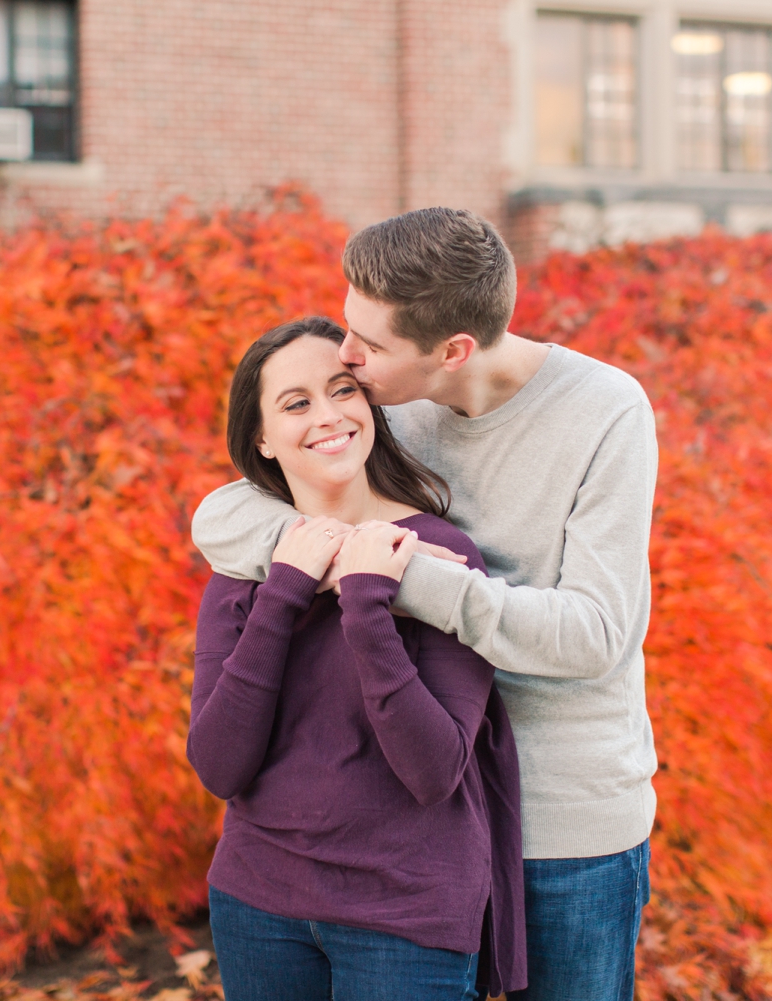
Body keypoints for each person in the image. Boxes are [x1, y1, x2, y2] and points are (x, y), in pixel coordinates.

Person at [193, 208, 658, 1001]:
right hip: (415, 821)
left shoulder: (604, 411)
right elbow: (224, 514)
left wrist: (417, 578)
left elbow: (595, 633)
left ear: (453, 353)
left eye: (365, 346)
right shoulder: (384, 398)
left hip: (558, 820)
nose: (347, 358)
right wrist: (343, 555)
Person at [187, 316, 526, 1001]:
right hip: (259, 904)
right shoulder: (247, 565)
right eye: (296, 402)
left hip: (406, 915)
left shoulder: (439, 557)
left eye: (344, 389)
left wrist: (368, 604)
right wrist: (285, 589)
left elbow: (433, 771)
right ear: (260, 437)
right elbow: (220, 764)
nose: (329, 415)